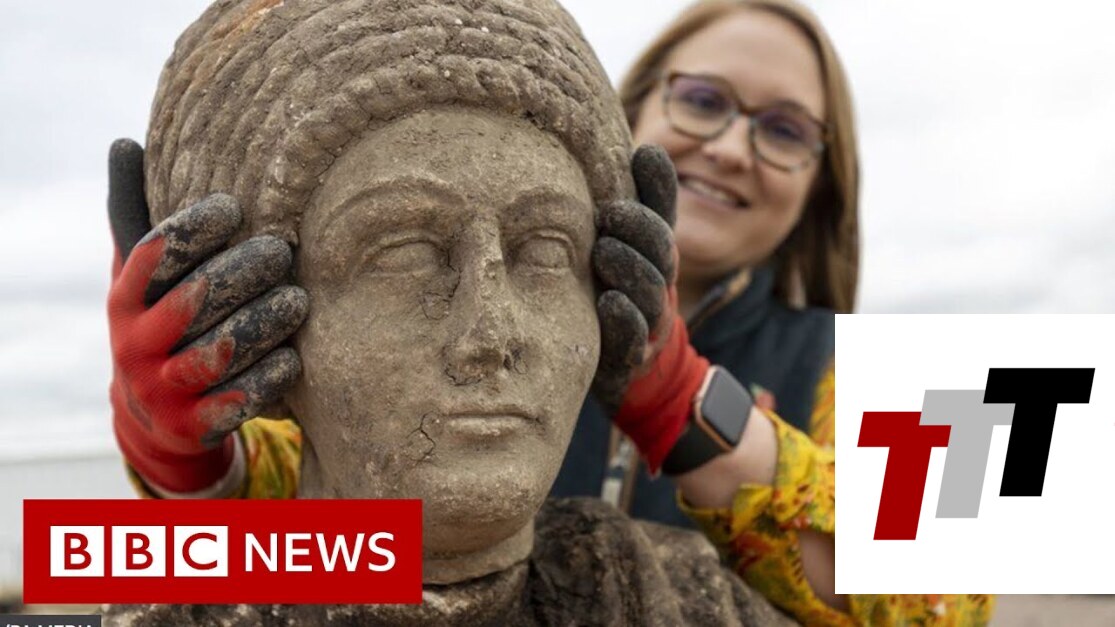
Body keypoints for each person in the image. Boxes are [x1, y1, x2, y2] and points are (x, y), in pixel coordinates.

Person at [106, 0, 993, 624]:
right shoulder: (370, 318)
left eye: (786, 129)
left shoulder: (891, 363)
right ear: (632, 110)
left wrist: (684, 405)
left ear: (824, 180)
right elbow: (294, 523)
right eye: (702, 101)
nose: (732, 146)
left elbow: (959, 599)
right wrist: (185, 459)